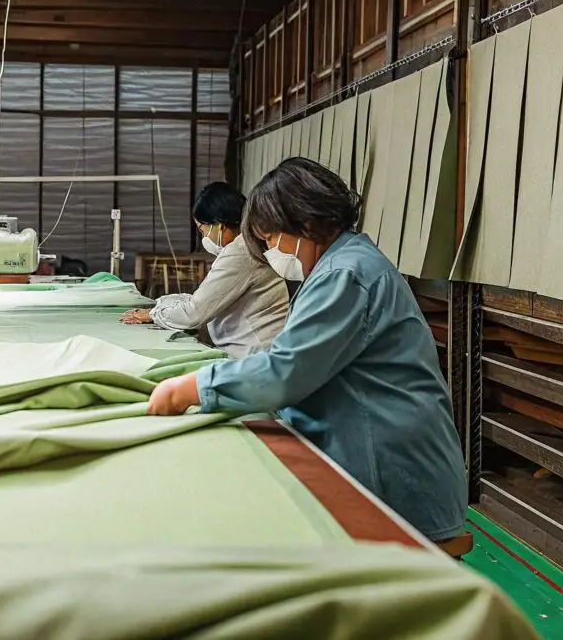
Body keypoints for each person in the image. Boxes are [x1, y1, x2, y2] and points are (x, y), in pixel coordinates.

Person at [146, 158, 467, 543]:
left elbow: (288, 370)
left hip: (391, 473)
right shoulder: (342, 264)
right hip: (377, 454)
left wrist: (195, 387)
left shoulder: (344, 275)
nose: (272, 253)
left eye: (272, 240)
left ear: (307, 224)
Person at [121, 182, 289, 359]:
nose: (204, 238)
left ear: (219, 225)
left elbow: (195, 312)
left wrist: (154, 314)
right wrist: (159, 304)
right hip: (259, 350)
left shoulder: (240, 253)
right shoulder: (247, 246)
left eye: (203, 230)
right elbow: (203, 298)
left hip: (255, 355)